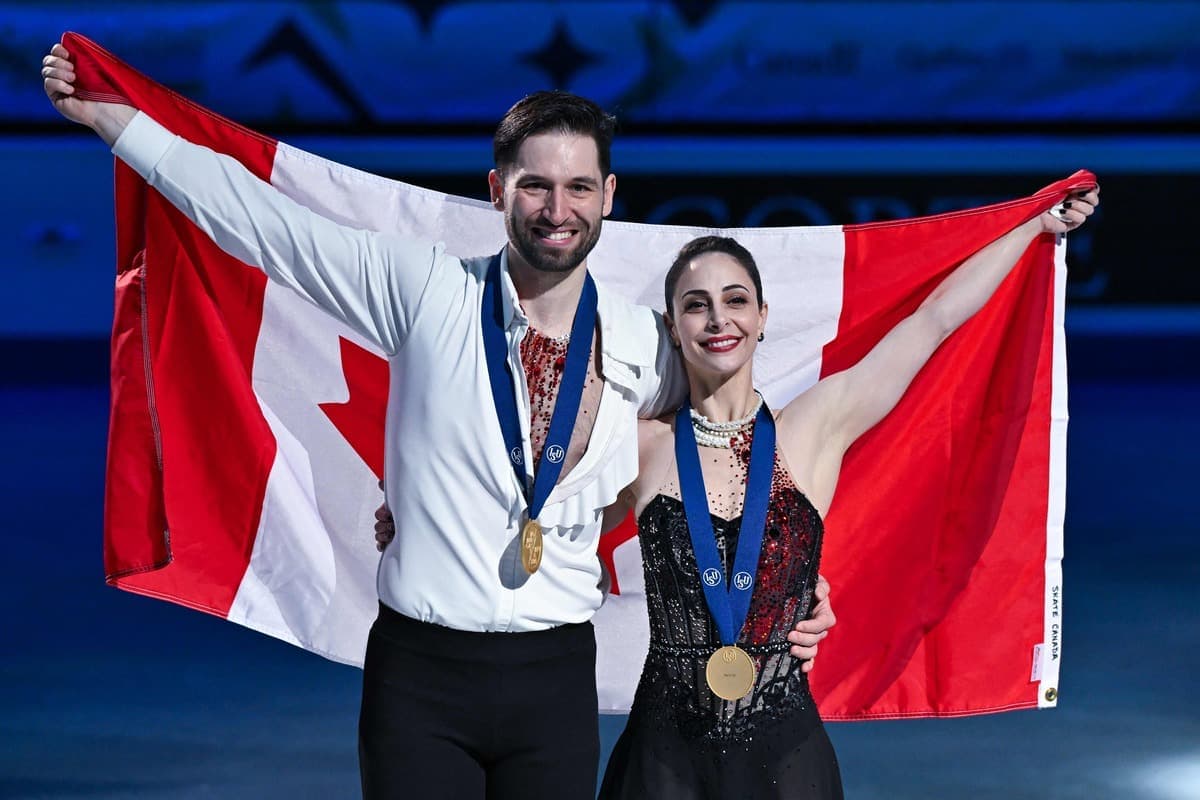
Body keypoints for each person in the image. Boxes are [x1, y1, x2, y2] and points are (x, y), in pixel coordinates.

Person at [41, 40, 835, 800]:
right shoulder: (422, 292)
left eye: (578, 187)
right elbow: (264, 224)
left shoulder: (646, 346)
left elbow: (734, 442)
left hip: (557, 683)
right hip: (421, 679)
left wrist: (797, 582)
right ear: (496, 189)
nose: (557, 210)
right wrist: (115, 120)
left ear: (608, 195)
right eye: (535, 185)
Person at [594, 192, 1095, 797]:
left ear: (762, 317)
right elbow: (567, 541)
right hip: (662, 759)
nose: (719, 319)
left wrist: (1033, 224)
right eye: (696, 305)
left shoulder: (815, 427)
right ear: (674, 329)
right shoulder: (643, 445)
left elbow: (933, 321)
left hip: (785, 755)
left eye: (736, 300)